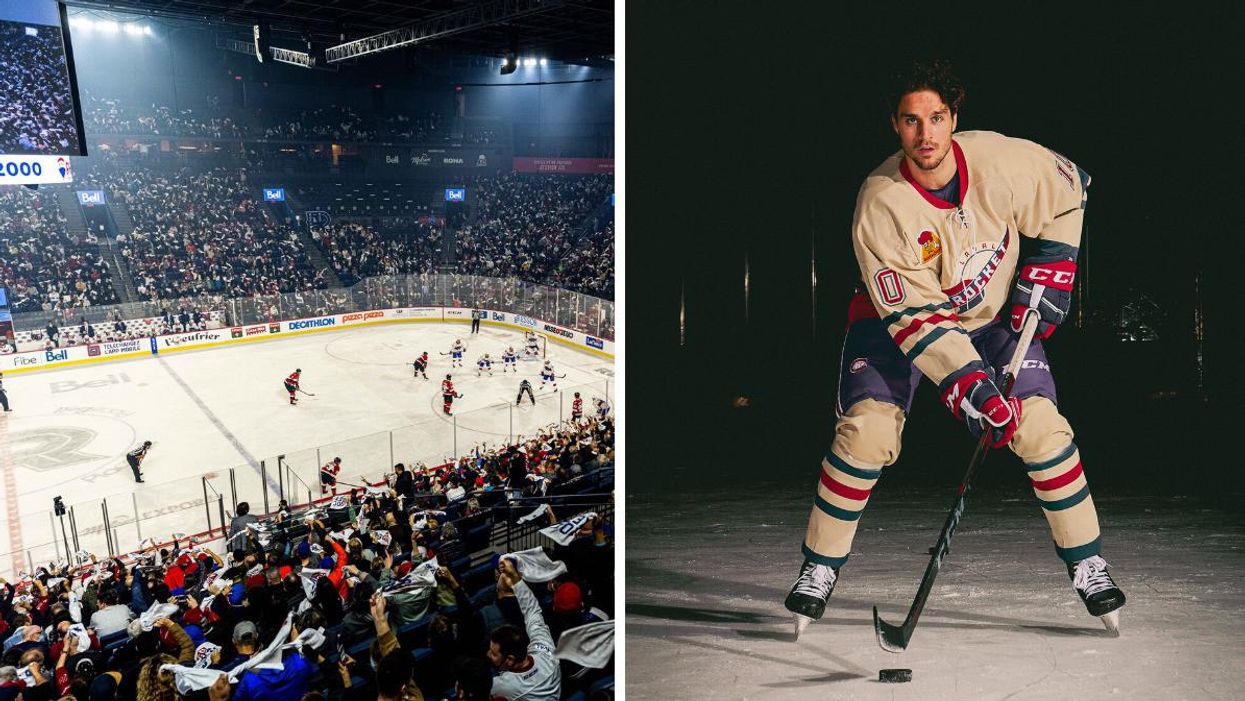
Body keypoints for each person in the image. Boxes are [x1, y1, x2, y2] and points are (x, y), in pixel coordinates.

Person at [784, 59, 1125, 637]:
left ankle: (1088, 561)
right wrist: (965, 384)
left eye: (936, 118)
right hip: (895, 323)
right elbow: (915, 316)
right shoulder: (881, 201)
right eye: (912, 121)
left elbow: (1072, 188)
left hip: (993, 319)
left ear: (953, 118)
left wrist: (1052, 265)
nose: (926, 135)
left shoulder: (1000, 159)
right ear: (895, 125)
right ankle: (819, 567)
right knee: (867, 433)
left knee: (1040, 427)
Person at [488, 559, 560, 700]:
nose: (488, 654)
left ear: (510, 659)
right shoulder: (547, 653)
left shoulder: (500, 687)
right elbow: (532, 612)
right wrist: (515, 578)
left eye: (493, 653)